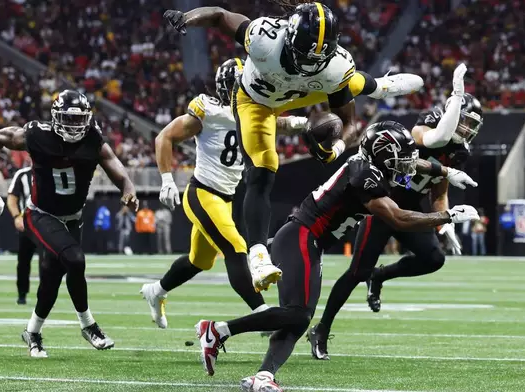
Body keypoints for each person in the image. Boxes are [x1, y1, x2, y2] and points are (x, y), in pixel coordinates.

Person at [193, 121, 480, 391]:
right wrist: (446, 216)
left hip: (310, 240)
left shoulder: (371, 165)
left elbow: (412, 162)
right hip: (301, 235)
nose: (406, 164)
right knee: (298, 313)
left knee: (298, 317)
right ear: (382, 155)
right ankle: (218, 330)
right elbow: (399, 218)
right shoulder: (364, 174)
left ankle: (263, 375)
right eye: (400, 157)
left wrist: (445, 172)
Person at [163, 2, 424, 291]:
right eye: (306, 52)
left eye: (320, 56)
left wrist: (335, 149)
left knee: (356, 84)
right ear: (290, 37)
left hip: (300, 93)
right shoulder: (265, 38)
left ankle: (381, 87)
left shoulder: (335, 65)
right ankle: (259, 256)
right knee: (263, 167)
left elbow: (348, 124)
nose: (311, 61)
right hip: (257, 101)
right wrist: (186, 17)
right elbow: (220, 15)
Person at [308, 79, 484, 358]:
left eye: (473, 125)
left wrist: (444, 221)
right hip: (379, 204)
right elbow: (422, 152)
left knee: (434, 259)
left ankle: (380, 276)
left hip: (411, 209)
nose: (468, 130)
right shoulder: (430, 125)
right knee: (356, 272)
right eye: (465, 122)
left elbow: (439, 188)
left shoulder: (459, 151)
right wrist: (445, 177)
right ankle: (322, 328)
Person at [141, 58, 307, 328]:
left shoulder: (252, 111)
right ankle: (263, 313)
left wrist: (303, 123)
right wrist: (167, 179)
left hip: (225, 198)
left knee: (199, 261)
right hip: (202, 193)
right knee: (236, 248)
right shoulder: (209, 110)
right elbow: (164, 137)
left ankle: (156, 290)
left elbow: (276, 124)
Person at [0, 90, 139, 358]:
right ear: (56, 117)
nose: (74, 126)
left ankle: (32, 332)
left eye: (79, 120)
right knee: (75, 260)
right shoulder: (38, 135)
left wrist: (128, 188)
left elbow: (114, 164)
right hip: (40, 215)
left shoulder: (92, 138)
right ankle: (89, 326)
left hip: (73, 219)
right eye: (68, 119)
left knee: (51, 278)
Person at [6, 165, 39, 304]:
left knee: (48, 263)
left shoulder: (51, 170)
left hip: (48, 224)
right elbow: (12, 198)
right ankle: (22, 294)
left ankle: (46, 296)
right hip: (27, 224)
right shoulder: (22, 174)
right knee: (24, 261)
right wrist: (16, 217)